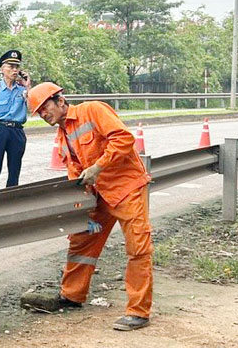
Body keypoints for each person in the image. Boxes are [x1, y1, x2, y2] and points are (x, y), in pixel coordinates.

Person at [22, 83, 153, 331]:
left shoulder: (92, 111)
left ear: (60, 101)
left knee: (138, 247)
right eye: (38, 113)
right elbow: (76, 176)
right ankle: (71, 296)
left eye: (44, 108)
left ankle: (138, 311)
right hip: (98, 197)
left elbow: (124, 138)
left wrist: (99, 166)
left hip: (126, 189)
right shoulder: (62, 136)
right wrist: (81, 213)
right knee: (81, 240)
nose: (43, 115)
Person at [0, 49, 30, 192]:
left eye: (17, 67)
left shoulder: (23, 89)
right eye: (11, 67)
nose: (14, 70)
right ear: (2, 69)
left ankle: (10, 201)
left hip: (17, 131)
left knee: (14, 170)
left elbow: (33, 108)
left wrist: (28, 86)